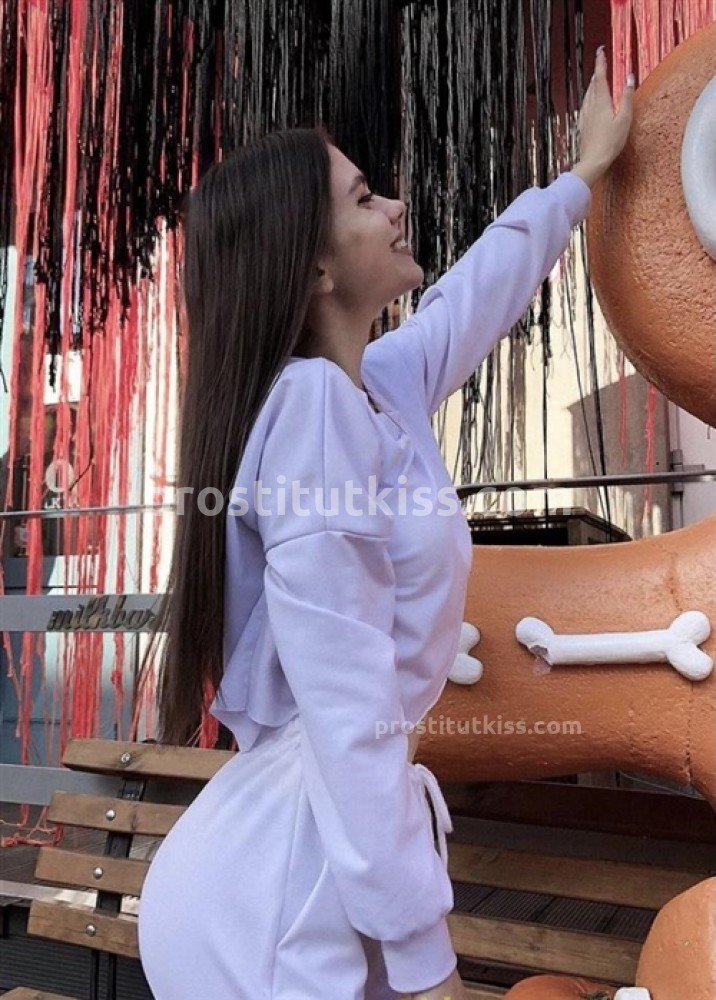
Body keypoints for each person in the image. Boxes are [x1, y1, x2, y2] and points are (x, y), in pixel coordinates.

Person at [137, 47, 633, 1000]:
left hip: (309, 858)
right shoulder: (314, 410)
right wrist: (424, 959)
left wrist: (583, 176)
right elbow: (349, 709)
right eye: (365, 198)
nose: (398, 206)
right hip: (282, 893)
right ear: (314, 266)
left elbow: (473, 297)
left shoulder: (375, 390)